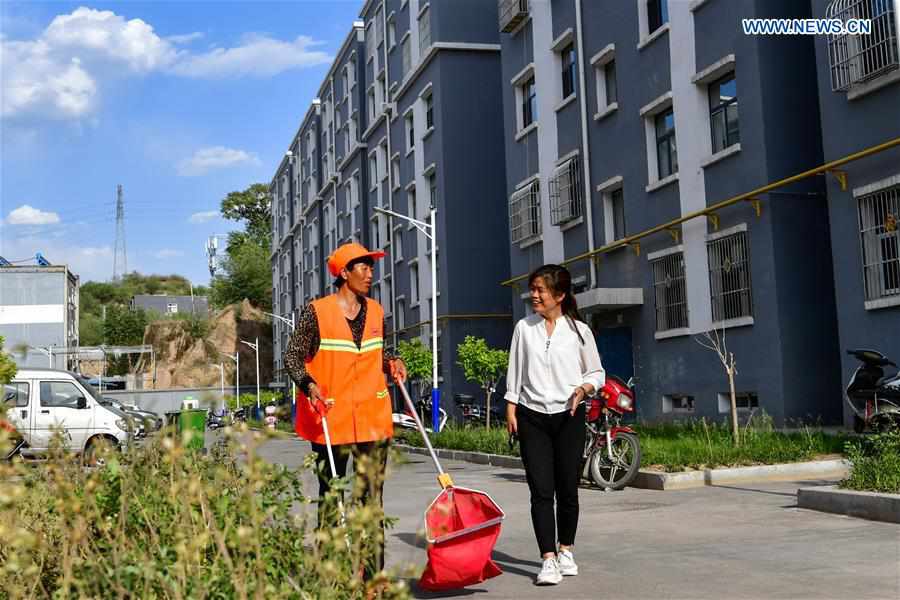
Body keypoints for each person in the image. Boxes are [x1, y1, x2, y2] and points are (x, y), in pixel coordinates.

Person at [284, 241, 407, 577]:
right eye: (363, 267)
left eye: (371, 267)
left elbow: (378, 352)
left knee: (371, 499)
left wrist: (392, 362)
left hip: (371, 416)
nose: (370, 273)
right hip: (331, 418)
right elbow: (292, 356)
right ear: (343, 272)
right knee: (332, 494)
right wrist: (309, 386)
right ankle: (331, 572)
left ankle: (373, 576)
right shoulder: (317, 311)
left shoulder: (378, 311)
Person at [504, 264, 605, 586]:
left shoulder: (579, 331)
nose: (533, 295)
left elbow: (596, 373)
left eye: (540, 290)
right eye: (532, 289)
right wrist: (510, 407)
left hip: (569, 416)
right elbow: (515, 372)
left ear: (559, 295)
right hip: (532, 416)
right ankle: (547, 559)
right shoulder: (524, 328)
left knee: (567, 489)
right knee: (541, 490)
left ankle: (566, 550)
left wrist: (583, 389)